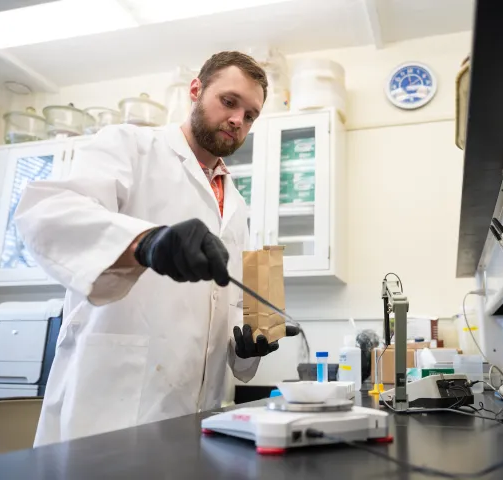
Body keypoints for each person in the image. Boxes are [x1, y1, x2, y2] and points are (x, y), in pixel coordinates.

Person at [15, 51, 297, 446]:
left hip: (199, 417)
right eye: (229, 102)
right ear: (196, 91)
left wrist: (250, 344)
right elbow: (45, 213)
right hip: (111, 410)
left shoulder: (236, 204)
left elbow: (225, 310)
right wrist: (144, 243)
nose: (238, 120)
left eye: (250, 115)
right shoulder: (130, 145)